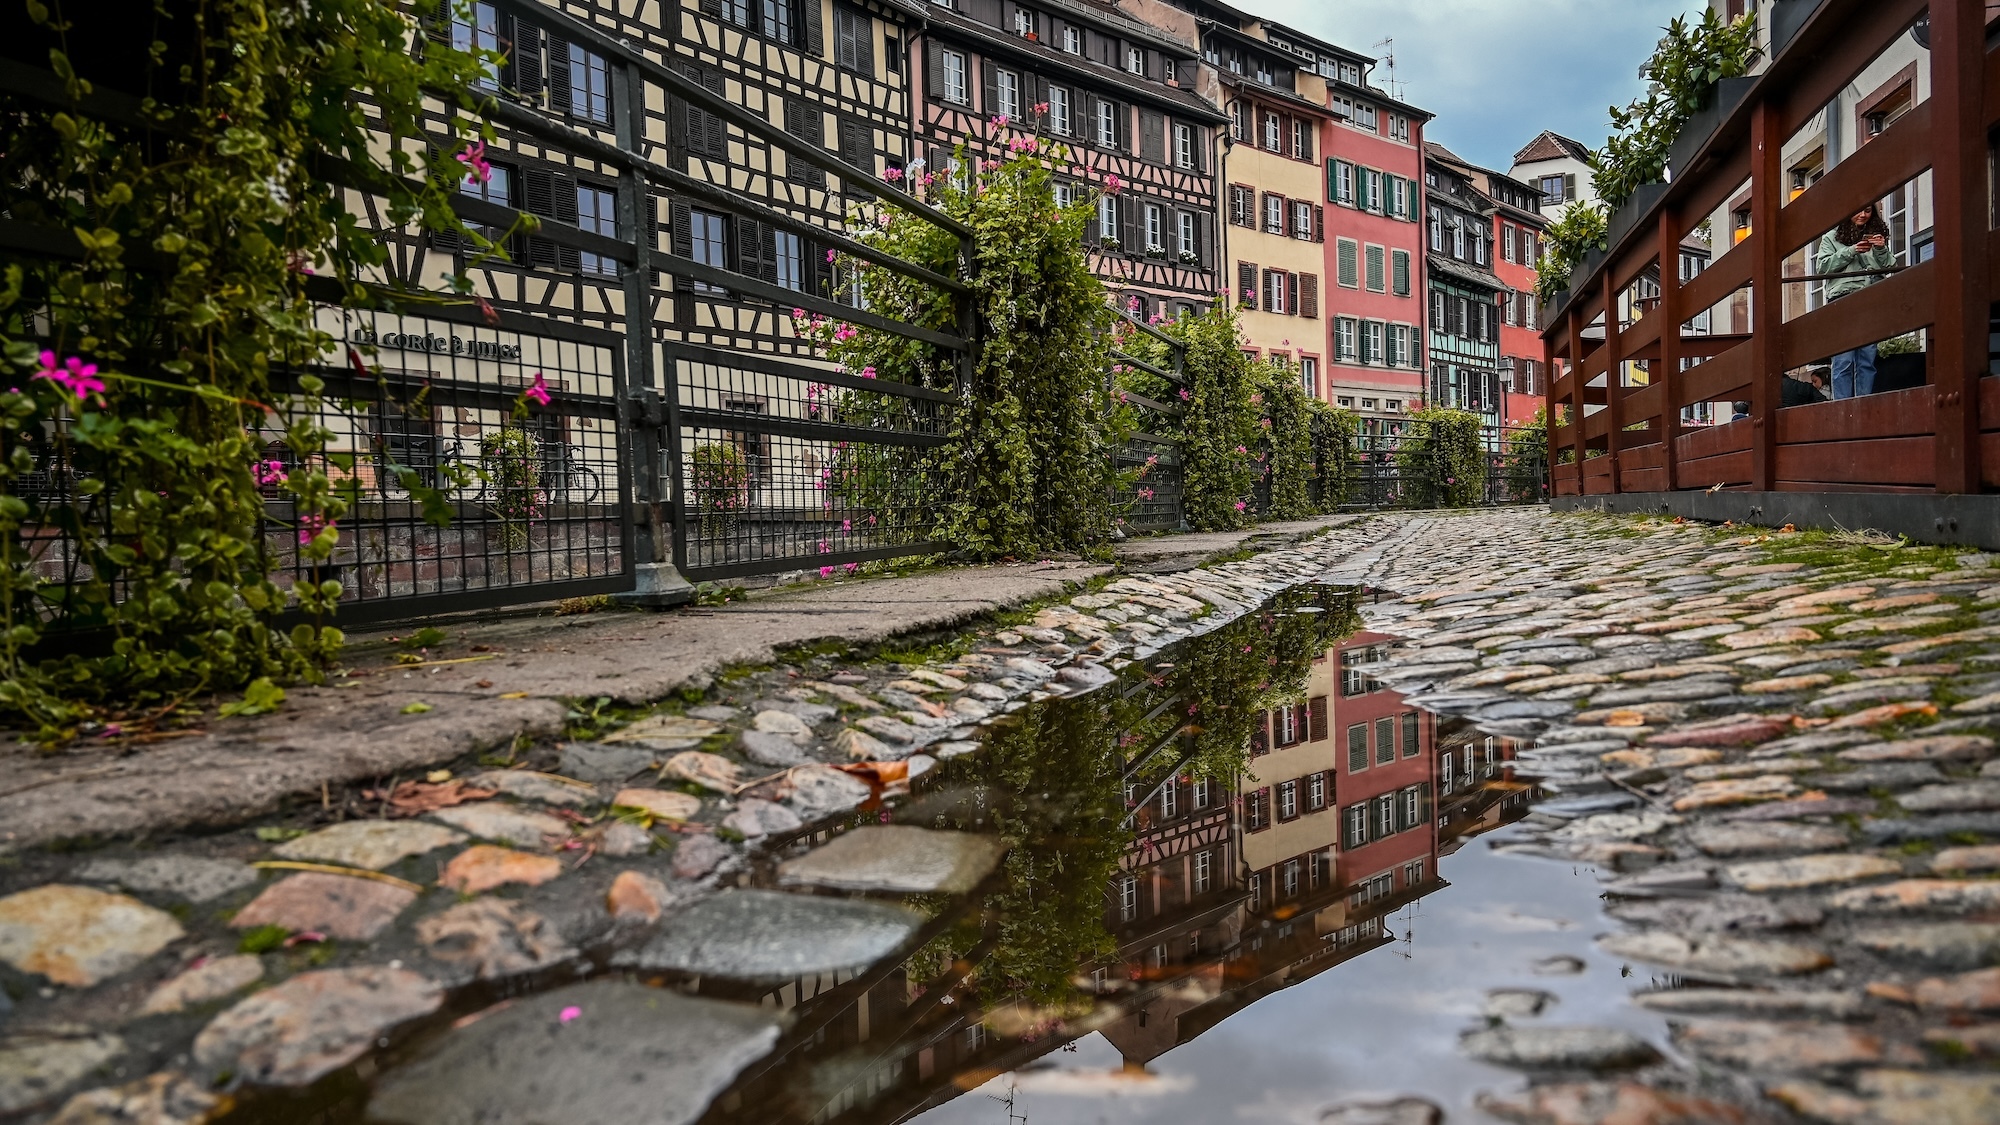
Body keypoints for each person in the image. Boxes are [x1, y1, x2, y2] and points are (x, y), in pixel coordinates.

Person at [1815, 203, 1896, 399]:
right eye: (1859, 210)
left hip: (1870, 298)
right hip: (1843, 298)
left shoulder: (1874, 234)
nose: (1863, 215)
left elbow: (1890, 266)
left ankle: (1864, 402)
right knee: (1843, 359)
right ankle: (1842, 406)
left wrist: (1881, 249)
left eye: (1868, 211)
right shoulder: (1831, 237)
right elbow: (1823, 267)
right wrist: (1851, 251)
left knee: (1867, 358)